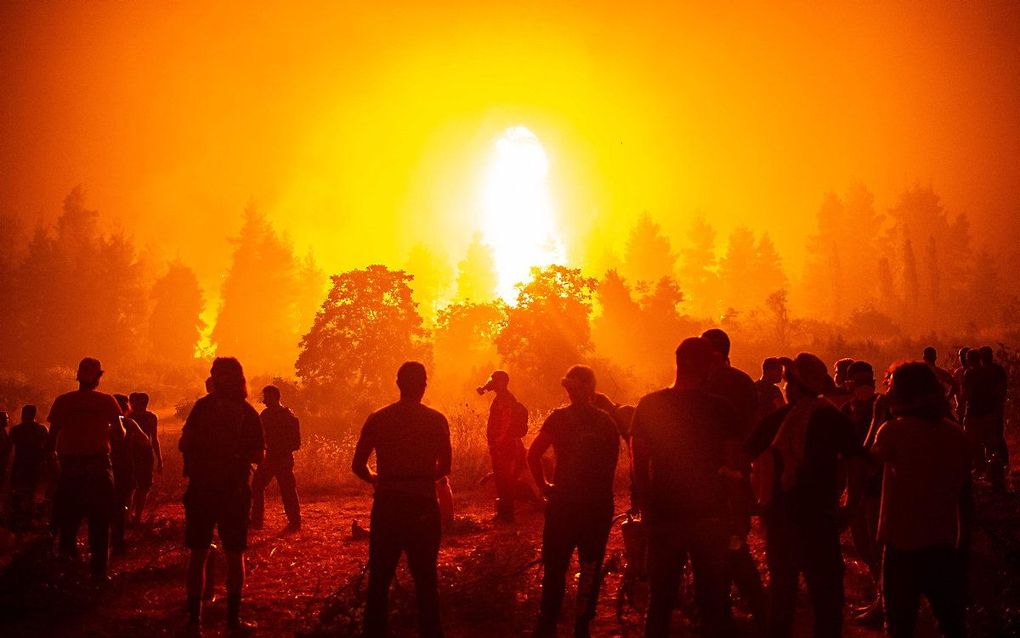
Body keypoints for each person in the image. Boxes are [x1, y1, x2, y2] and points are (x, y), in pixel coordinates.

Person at [745, 353, 866, 638]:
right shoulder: (833, 419)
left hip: (781, 521)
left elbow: (744, 457)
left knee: (782, 598)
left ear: (794, 387)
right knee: (827, 601)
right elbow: (857, 463)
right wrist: (850, 507)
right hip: (820, 520)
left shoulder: (777, 420)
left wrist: (756, 499)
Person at [632, 337, 743, 638]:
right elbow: (732, 470)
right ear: (704, 366)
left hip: (665, 516)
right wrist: (733, 514)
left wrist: (647, 512)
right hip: (710, 517)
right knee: (714, 602)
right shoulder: (722, 410)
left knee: (660, 602)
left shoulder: (650, 406)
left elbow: (638, 466)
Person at [871, 362, 971, 638]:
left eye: (890, 384)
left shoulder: (892, 431)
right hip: (943, 543)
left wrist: (876, 417)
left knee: (899, 625)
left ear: (903, 392)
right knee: (951, 624)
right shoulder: (955, 434)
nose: (886, 390)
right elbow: (966, 497)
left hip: (901, 544)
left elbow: (865, 465)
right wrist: (963, 547)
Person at [352, 361, 452, 638]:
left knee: (380, 579)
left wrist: (378, 479)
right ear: (424, 385)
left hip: (388, 505)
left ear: (398, 384)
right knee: (426, 579)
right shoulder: (436, 420)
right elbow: (444, 466)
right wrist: (419, 477)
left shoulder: (379, 418)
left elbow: (358, 465)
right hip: (423, 505)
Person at [528, 365, 620, 638]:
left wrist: (545, 486)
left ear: (570, 389)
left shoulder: (558, 419)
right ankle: (582, 625)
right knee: (590, 566)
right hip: (597, 505)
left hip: (564, 504)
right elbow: (610, 468)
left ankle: (547, 623)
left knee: (555, 567)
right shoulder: (607, 423)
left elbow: (532, 455)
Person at [179, 357, 265, 635]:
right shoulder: (247, 411)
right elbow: (258, 455)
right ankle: (232, 620)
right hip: (234, 490)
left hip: (203, 488)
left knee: (199, 554)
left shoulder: (203, 407)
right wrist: (234, 455)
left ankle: (195, 620)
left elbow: (185, 442)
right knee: (234, 554)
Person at [701, 328, 767, 629]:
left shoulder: (704, 382)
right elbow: (756, 426)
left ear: (714, 354)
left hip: (707, 474)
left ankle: (724, 609)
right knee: (735, 539)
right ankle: (756, 607)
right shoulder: (743, 381)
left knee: (712, 541)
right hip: (738, 473)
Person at [47, 357, 122, 582]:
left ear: (78, 375)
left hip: (71, 470)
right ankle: (99, 574)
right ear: (99, 377)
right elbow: (120, 435)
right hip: (98, 470)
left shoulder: (63, 401)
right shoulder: (107, 401)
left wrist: (54, 470)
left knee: (68, 524)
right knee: (100, 525)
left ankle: (67, 574)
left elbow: (51, 441)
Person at [841, 361, 883, 625]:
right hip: (855, 486)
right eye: (859, 382)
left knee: (878, 546)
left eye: (869, 380)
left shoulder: (884, 408)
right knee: (862, 544)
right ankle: (880, 595)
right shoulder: (846, 411)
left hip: (878, 487)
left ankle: (883, 601)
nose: (866, 386)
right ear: (849, 384)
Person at [251, 385, 301, 532]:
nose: (264, 401)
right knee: (258, 486)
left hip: (282, 459)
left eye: (267, 397)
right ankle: (257, 521)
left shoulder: (288, 417)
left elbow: (296, 443)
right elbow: (258, 436)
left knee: (287, 490)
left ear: (274, 396)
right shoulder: (265, 415)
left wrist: (279, 448)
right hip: (271, 458)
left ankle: (294, 522)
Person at [478, 370, 527, 523]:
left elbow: (506, 422)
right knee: (502, 479)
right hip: (504, 445)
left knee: (504, 480)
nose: (490, 382)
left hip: (504, 446)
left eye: (494, 379)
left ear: (501, 382)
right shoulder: (503, 397)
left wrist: (498, 442)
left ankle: (506, 515)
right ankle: (504, 514)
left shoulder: (505, 399)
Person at [111, 394, 149, 555]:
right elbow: (145, 441)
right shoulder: (128, 422)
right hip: (124, 468)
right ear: (126, 408)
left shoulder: (101, 423)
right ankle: (117, 544)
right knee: (122, 505)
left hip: (105, 468)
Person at [7, 405, 48, 531]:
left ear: (23, 413)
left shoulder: (16, 430)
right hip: (36, 465)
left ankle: (17, 518)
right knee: (32, 491)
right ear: (34, 414)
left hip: (19, 464)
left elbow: (9, 449)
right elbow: (48, 447)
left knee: (17, 491)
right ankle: (29, 518)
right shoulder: (41, 429)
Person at [128, 392, 162, 525]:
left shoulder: (145, 417)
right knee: (137, 486)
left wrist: (159, 459)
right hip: (136, 454)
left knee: (141, 486)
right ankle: (134, 515)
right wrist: (159, 459)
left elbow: (154, 439)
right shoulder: (130, 417)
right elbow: (154, 439)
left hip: (142, 455)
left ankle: (135, 515)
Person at [755, 357, 786, 422]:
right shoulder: (774, 390)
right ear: (769, 371)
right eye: (779, 370)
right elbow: (783, 410)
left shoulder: (753, 386)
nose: (781, 374)